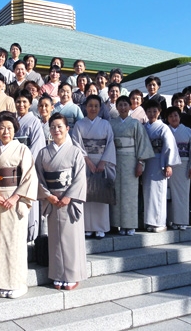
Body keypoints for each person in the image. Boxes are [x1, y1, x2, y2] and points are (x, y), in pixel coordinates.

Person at [0, 111, 38, 299]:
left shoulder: (22, 149)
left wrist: (15, 198)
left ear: (15, 130)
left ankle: (18, 283)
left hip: (15, 200)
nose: (6, 131)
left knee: (15, 243)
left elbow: (29, 176)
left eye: (9, 128)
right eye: (2, 128)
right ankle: (1, 282)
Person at [35, 113, 87, 291]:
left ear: (67, 129)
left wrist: (68, 196)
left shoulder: (75, 152)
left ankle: (72, 275)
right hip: (53, 200)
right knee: (56, 240)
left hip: (69, 201)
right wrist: (48, 195)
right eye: (53, 127)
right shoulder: (43, 153)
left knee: (71, 239)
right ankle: (58, 275)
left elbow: (80, 177)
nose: (56, 130)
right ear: (49, 130)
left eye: (60, 126)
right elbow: (39, 177)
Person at [72, 95, 116, 239]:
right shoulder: (79, 124)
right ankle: (87, 227)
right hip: (85, 162)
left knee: (100, 193)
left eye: (96, 106)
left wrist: (104, 161)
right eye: (90, 105)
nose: (93, 108)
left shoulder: (105, 124)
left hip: (102, 161)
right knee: (86, 193)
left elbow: (110, 144)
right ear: (85, 107)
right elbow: (76, 144)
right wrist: (87, 161)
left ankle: (101, 227)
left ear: (100, 108)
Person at [110, 96, 155, 236]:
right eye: (120, 105)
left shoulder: (135, 124)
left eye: (125, 105)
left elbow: (142, 144)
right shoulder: (111, 123)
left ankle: (130, 225)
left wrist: (140, 163)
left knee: (130, 194)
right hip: (115, 160)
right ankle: (117, 224)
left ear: (130, 107)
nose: (123, 108)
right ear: (116, 107)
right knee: (116, 193)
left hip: (131, 160)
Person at [142, 100, 181, 232]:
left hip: (159, 161)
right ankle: (149, 221)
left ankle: (160, 222)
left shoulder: (164, 127)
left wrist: (168, 164)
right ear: (146, 113)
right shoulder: (144, 127)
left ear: (159, 112)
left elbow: (169, 146)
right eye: (149, 111)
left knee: (158, 192)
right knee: (148, 193)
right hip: (147, 161)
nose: (152, 113)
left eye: (154, 111)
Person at [14, 89, 46, 242]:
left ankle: (31, 234)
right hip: (13, 167)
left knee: (28, 199)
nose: (21, 105)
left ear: (30, 103)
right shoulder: (12, 120)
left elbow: (37, 146)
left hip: (27, 167)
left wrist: (25, 165)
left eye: (24, 102)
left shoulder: (35, 121)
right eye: (18, 102)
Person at [165, 106, 191, 230]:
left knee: (182, 194)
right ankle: (170, 219)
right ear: (167, 119)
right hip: (168, 166)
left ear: (180, 117)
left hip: (184, 165)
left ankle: (182, 221)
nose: (173, 118)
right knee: (168, 194)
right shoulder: (165, 130)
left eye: (175, 115)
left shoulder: (187, 131)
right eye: (170, 116)